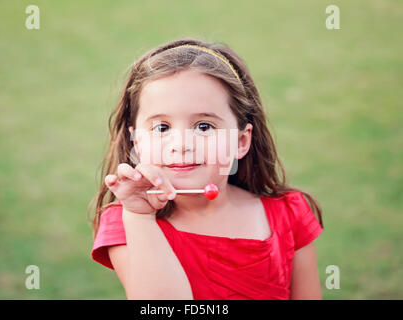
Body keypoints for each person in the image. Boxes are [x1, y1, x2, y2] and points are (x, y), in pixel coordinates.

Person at [89, 37, 324, 300]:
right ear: (137, 142)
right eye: (162, 127)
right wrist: (140, 217)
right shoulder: (127, 220)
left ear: (241, 140)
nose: (181, 145)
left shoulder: (289, 214)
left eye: (204, 126)